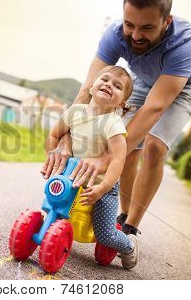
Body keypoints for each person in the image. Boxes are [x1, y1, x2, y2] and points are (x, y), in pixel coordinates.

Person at [41, 0, 191, 237]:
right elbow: (88, 91)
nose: (136, 35)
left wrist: (107, 157)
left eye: (147, 27)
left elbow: (155, 107)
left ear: (166, 21)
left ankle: (131, 226)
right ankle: (122, 212)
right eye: (131, 25)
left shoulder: (186, 43)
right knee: (126, 149)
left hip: (182, 87)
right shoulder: (115, 34)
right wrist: (65, 138)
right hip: (143, 82)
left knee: (153, 145)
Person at [41, 65, 139, 269]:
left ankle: (128, 245)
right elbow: (54, 135)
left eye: (117, 85)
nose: (109, 85)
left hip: (102, 187)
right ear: (92, 86)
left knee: (104, 233)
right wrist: (51, 159)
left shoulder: (113, 124)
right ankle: (49, 234)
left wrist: (102, 188)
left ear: (121, 102)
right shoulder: (75, 112)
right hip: (72, 177)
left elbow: (118, 160)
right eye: (105, 80)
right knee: (53, 206)